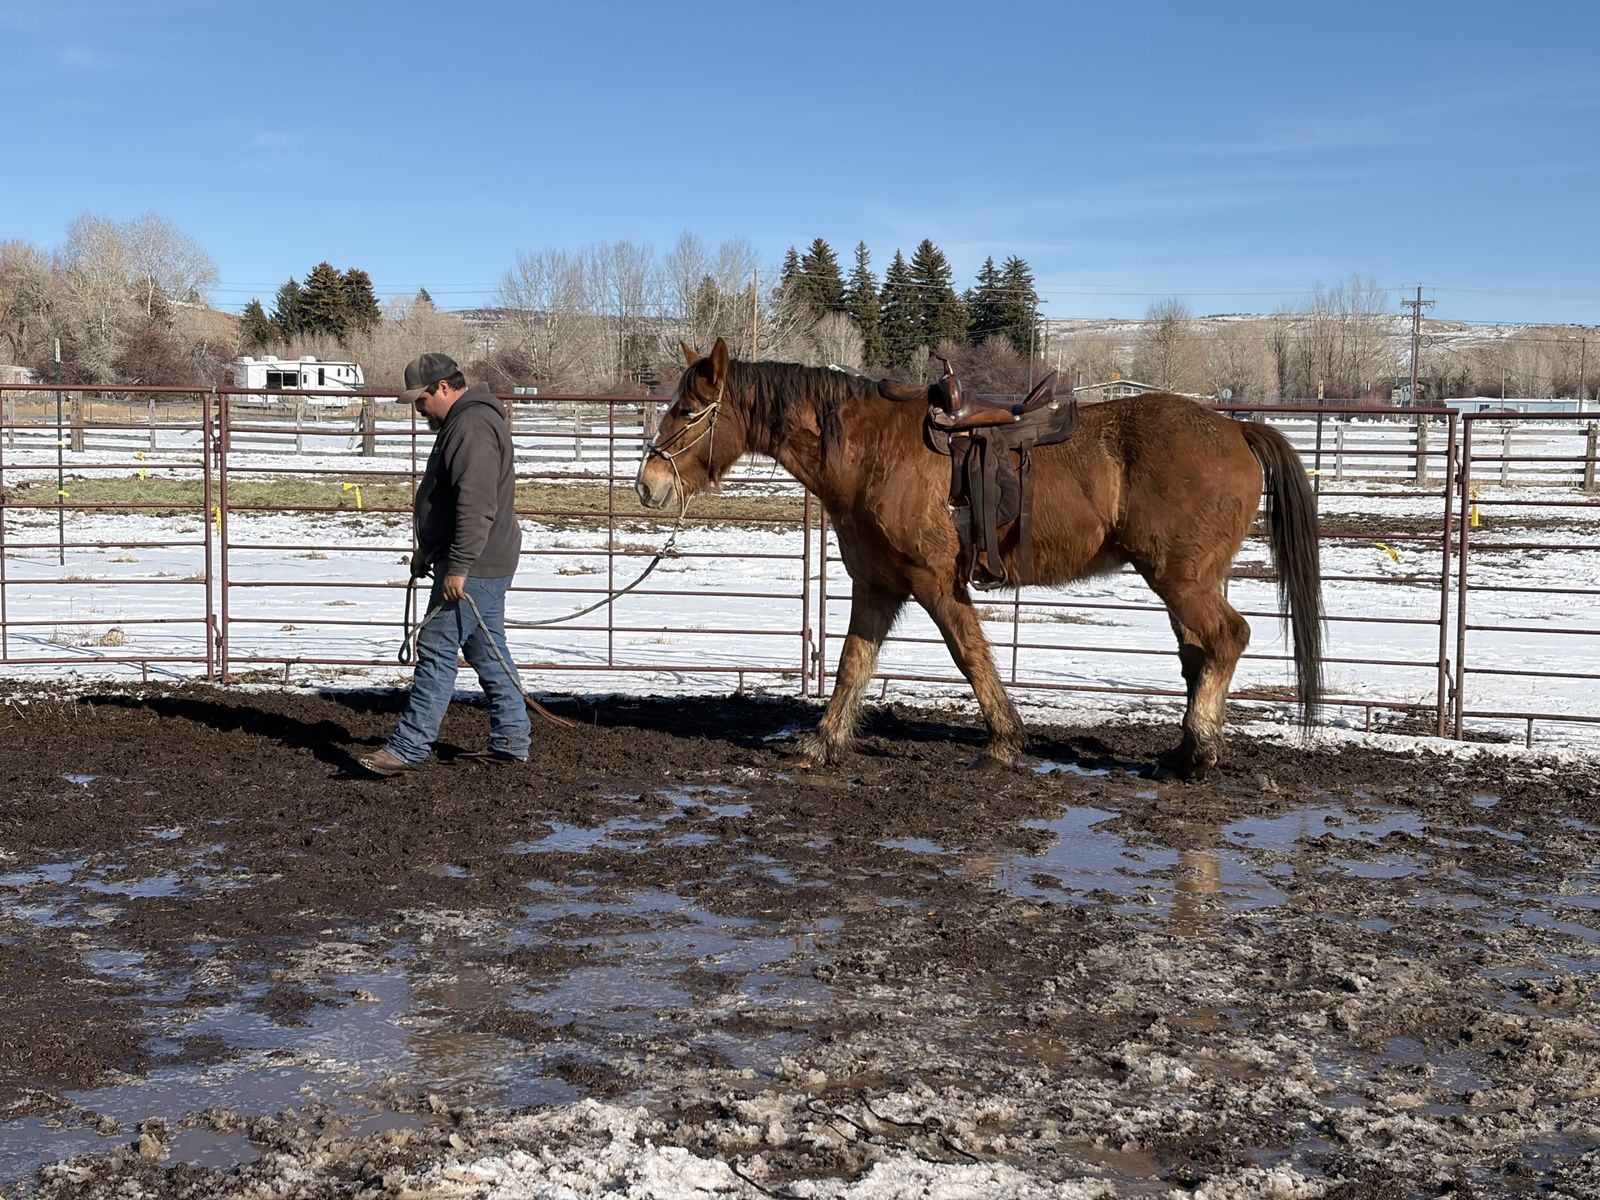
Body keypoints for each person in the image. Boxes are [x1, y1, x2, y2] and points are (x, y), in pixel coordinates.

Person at [359, 353, 531, 777]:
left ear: (442, 387)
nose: (419, 410)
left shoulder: (470, 426)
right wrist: (429, 550)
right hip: (479, 558)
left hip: (475, 562)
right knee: (486, 650)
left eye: (421, 401)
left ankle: (408, 748)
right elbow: (452, 501)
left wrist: (460, 565)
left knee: (436, 648)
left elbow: (476, 503)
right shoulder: (465, 422)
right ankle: (511, 739)